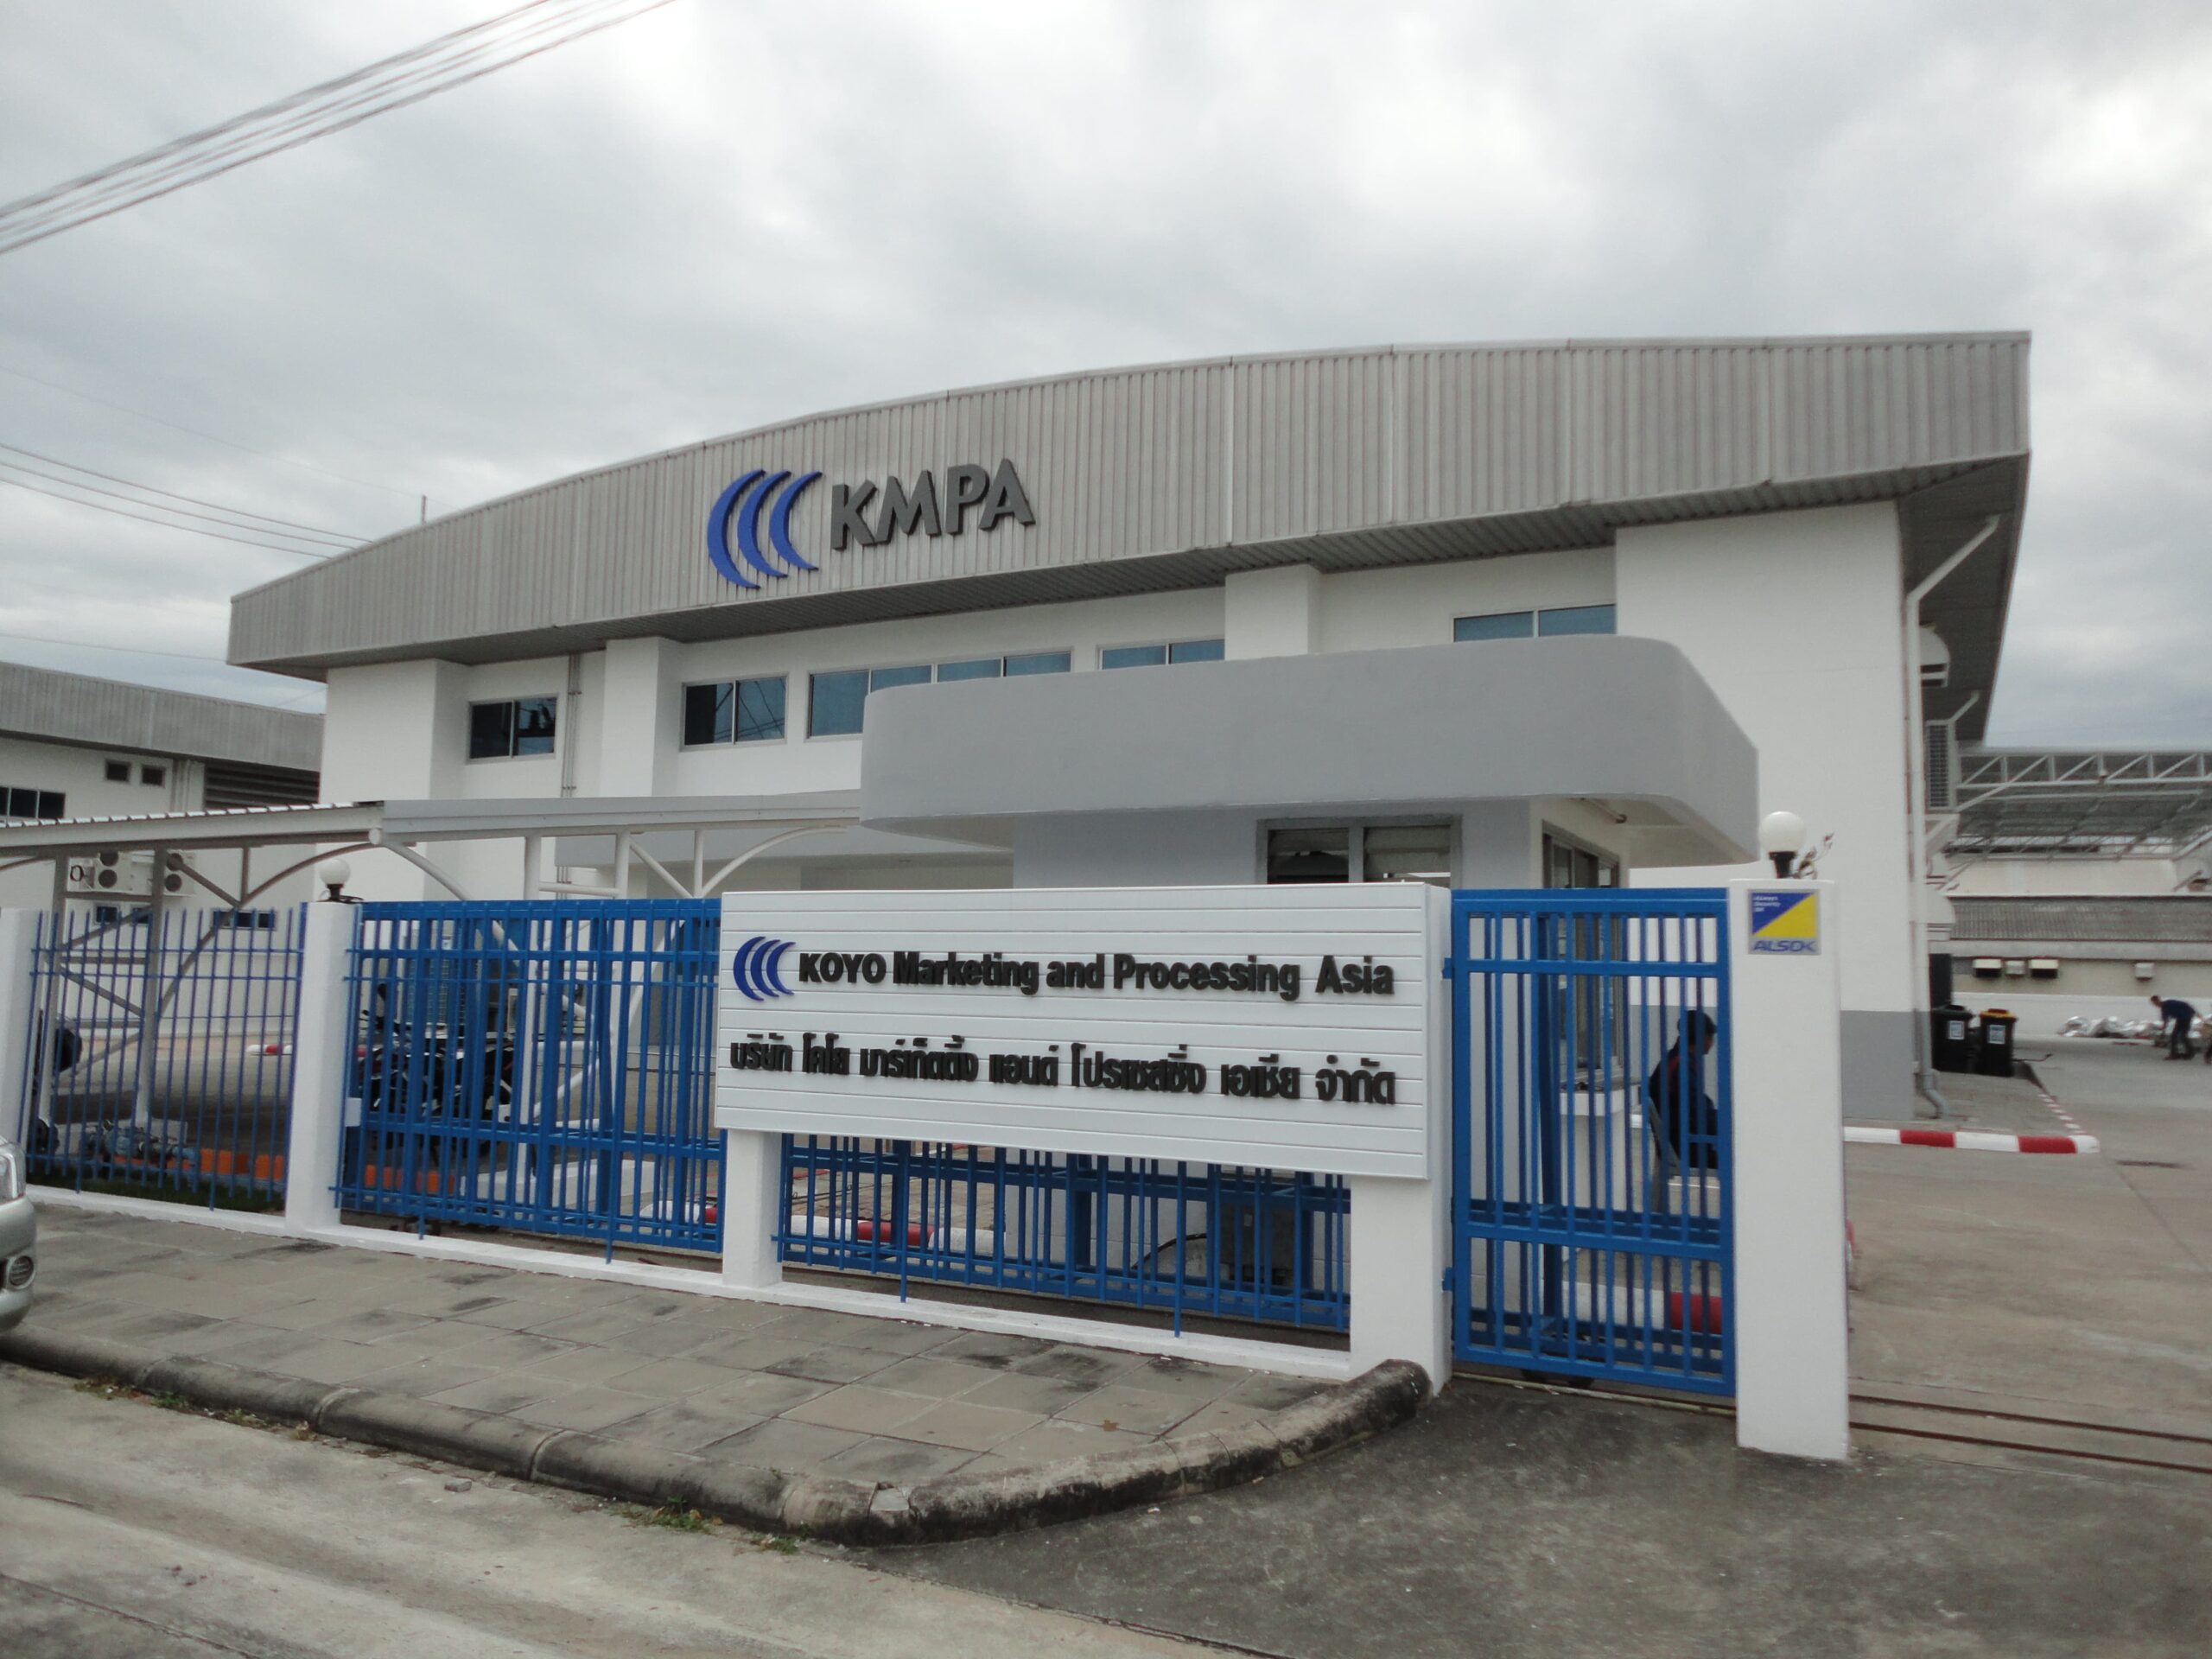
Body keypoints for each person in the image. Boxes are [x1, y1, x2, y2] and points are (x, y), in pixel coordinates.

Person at [1645, 1009, 1720, 1184]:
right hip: (1685, 1146)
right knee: (1740, 1156)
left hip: (1676, 1140)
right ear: (1703, 1038)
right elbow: (1697, 1112)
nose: (1712, 1042)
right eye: (1711, 1037)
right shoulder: (1681, 1065)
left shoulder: (1676, 1059)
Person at [2152, 995, 2199, 1060]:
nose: (2155, 1005)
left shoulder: (2169, 1003)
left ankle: (2187, 1053)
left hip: (2185, 1018)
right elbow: (2166, 1020)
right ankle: (2181, 1053)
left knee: (2181, 1036)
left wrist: (2192, 1012)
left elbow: (2184, 1004)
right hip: (2181, 1019)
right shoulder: (2164, 1008)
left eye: (2155, 1003)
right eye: (2154, 1003)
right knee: (2175, 1036)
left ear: (2158, 1000)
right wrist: (2163, 1031)